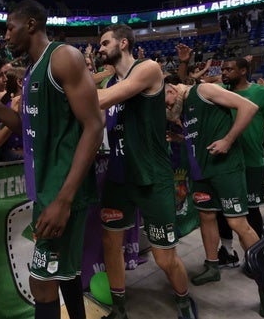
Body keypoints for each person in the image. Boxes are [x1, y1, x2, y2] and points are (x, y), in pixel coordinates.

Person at [0, 0, 104, 319]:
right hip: (49, 188)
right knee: (65, 273)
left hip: (64, 191)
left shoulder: (63, 57)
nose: (6, 36)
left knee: (41, 282)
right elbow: (23, 127)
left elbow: (94, 125)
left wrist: (64, 200)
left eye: (10, 28)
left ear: (32, 25)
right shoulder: (34, 70)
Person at [96, 24, 196, 319]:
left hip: (153, 178)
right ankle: (119, 309)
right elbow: (96, 121)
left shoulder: (148, 68)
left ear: (123, 43)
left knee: (165, 257)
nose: (100, 48)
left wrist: (66, 88)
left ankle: (183, 301)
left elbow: (100, 101)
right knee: (110, 245)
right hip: (118, 176)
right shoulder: (106, 82)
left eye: (104, 43)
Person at [165, 74, 264, 317]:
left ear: (172, 88)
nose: (168, 107)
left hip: (225, 168)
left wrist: (228, 139)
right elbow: (201, 136)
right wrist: (179, 138)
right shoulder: (185, 109)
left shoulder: (203, 90)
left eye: (167, 101)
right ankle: (212, 265)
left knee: (238, 222)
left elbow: (248, 107)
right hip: (201, 170)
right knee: (206, 216)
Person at [216, 58, 264, 266]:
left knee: (251, 210)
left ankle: (256, 257)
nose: (224, 72)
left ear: (243, 71)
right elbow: (187, 83)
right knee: (223, 209)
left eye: (229, 69)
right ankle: (227, 251)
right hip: (225, 162)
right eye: (222, 69)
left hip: (252, 161)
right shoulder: (220, 92)